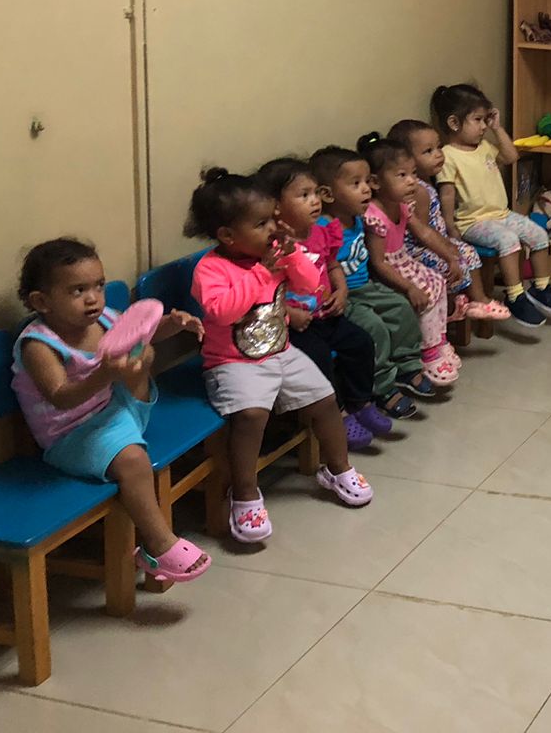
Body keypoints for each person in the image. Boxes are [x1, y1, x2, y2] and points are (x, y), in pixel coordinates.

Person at [187, 168, 373, 544]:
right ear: (227, 235)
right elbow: (223, 312)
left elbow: (310, 285)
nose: (273, 228)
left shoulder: (273, 254)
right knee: (252, 415)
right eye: (261, 224)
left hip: (280, 351)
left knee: (325, 398)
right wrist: (262, 273)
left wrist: (294, 255)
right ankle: (244, 494)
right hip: (232, 362)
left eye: (271, 219)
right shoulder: (211, 269)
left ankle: (338, 468)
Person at [11, 238, 210, 583]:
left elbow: (143, 333)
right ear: (42, 301)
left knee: (144, 354)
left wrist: (172, 324)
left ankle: (128, 439)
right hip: (72, 435)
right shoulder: (38, 345)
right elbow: (61, 397)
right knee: (133, 461)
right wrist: (104, 374)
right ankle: (158, 546)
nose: (93, 298)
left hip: (114, 409)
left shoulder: (103, 318)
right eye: (78, 291)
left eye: (98, 286)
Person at [256, 156, 396, 447]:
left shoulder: (321, 231)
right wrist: (288, 314)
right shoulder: (271, 246)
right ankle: (338, 415)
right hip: (294, 326)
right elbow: (263, 291)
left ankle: (360, 403)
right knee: (318, 357)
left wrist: (341, 290)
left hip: (325, 314)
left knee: (360, 342)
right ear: (276, 206)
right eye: (304, 195)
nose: (315, 201)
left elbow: (332, 265)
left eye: (316, 193)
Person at [430, 83, 551, 328]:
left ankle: (541, 288)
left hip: (502, 215)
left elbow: (511, 157)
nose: (484, 126)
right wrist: (450, 226)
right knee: (508, 240)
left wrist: (497, 128)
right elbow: (447, 194)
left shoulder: (484, 146)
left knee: (538, 235)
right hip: (473, 222)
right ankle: (515, 296)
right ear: (454, 123)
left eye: (485, 120)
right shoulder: (448, 155)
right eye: (478, 120)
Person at [310, 145, 437, 409]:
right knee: (373, 326)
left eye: (367, 181)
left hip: (366, 286)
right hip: (342, 297)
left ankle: (407, 366)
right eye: (356, 184)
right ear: (328, 195)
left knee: (401, 307)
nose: (367, 189)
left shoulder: (358, 218)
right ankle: (383, 385)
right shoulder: (321, 228)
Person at [357, 131, 464, 385]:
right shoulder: (374, 216)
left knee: (438, 281)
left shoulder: (402, 205)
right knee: (424, 293)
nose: (412, 182)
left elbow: (423, 232)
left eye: (414, 174)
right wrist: (409, 288)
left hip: (403, 260)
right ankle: (427, 353)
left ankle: (438, 340)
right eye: (402, 175)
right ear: (375, 182)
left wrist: (450, 256)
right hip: (387, 270)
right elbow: (378, 262)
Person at [386, 117, 514, 328]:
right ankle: (454, 305)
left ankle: (477, 301)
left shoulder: (427, 182)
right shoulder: (418, 191)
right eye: (428, 151)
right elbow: (423, 233)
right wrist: (446, 248)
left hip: (434, 239)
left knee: (468, 252)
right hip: (417, 248)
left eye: (438, 147)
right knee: (456, 260)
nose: (438, 154)